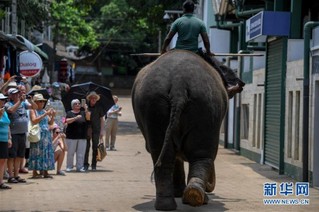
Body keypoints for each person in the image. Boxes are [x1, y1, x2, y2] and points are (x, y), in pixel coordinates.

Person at [161, 0, 245, 98]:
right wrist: (208, 51)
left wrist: (163, 50)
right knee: (216, 66)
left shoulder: (178, 22)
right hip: (195, 52)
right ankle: (226, 85)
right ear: (193, 10)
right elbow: (206, 40)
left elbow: (168, 38)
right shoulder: (199, 22)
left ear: (183, 10)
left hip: (178, 50)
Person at [5, 88, 37, 183]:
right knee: (11, 156)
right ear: (10, 95)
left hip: (22, 133)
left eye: (17, 94)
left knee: (20, 155)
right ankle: (11, 176)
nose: (16, 95)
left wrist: (30, 100)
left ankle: (16, 175)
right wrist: (20, 101)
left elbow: (35, 107)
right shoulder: (8, 104)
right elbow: (11, 110)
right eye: (14, 94)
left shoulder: (23, 103)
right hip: (13, 134)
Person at [28, 94, 56, 179]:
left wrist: (53, 116)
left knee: (46, 152)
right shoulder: (33, 111)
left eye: (43, 101)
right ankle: (35, 172)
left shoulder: (44, 111)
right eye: (40, 101)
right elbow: (34, 120)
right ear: (35, 102)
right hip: (38, 134)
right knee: (36, 152)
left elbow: (50, 123)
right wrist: (45, 114)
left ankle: (45, 171)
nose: (42, 103)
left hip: (46, 134)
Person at [65, 99, 89, 172]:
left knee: (81, 153)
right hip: (71, 136)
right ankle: (69, 166)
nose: (78, 104)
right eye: (76, 103)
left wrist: (86, 109)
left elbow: (88, 118)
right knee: (70, 153)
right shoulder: (69, 113)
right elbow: (67, 121)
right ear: (72, 105)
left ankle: (80, 167)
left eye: (79, 103)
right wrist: (75, 118)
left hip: (82, 136)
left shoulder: (83, 113)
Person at [84, 91, 104, 171]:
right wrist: (85, 109)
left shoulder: (99, 107)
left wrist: (102, 131)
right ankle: (85, 164)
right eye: (92, 98)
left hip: (96, 129)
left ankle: (94, 164)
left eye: (95, 98)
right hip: (87, 129)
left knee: (95, 147)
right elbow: (86, 118)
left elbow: (102, 119)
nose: (93, 99)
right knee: (86, 147)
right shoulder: (85, 106)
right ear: (89, 99)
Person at [0, 93, 12, 189]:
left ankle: (1, 182)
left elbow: (8, 125)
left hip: (4, 139)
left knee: (3, 160)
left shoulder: (4, 111)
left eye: (4, 100)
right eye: (1, 100)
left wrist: (9, 138)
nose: (3, 101)